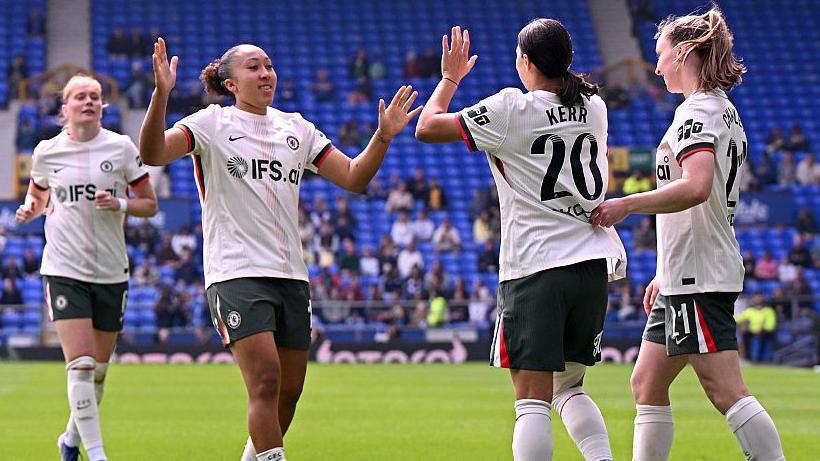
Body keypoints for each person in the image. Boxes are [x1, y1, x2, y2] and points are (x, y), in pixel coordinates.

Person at [140, 38, 421, 461]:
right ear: (231, 83)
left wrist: (381, 136)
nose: (266, 73)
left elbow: (353, 177)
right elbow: (153, 152)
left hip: (291, 275)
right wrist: (162, 93)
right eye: (254, 67)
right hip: (235, 272)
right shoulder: (211, 123)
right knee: (266, 382)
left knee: (289, 393)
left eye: (269, 65)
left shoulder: (297, 128)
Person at [416, 22, 626, 461]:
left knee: (531, 401)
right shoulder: (595, 107)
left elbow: (428, 127)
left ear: (526, 62)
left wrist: (450, 78)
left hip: (536, 267)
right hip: (591, 264)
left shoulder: (511, 108)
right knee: (569, 386)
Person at [590, 7, 785, 460]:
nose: (655, 66)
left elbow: (696, 187)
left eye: (660, 55)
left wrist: (627, 204)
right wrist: (665, 269)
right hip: (687, 272)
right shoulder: (721, 110)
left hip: (699, 275)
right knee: (646, 382)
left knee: (725, 390)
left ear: (683, 54)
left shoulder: (697, 113)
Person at [15, 74, 157, 461]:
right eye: (80, 96)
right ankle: (97, 455)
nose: (89, 102)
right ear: (65, 108)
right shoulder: (47, 152)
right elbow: (38, 197)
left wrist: (122, 204)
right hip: (64, 268)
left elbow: (150, 204)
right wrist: (30, 210)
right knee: (79, 365)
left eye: (95, 96)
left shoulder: (121, 148)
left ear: (102, 106)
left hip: (112, 271)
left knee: (96, 374)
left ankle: (70, 442)